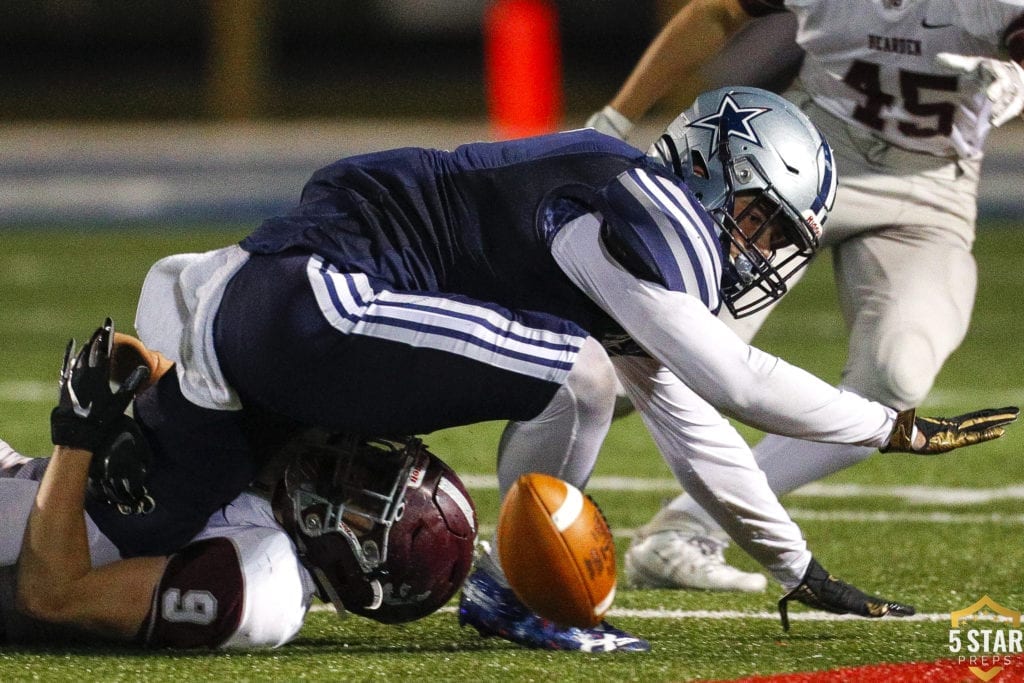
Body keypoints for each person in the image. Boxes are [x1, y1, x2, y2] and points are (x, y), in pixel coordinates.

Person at [120, 86, 1014, 653]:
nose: (766, 251)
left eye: (783, 239)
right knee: (576, 374)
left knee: (142, 539)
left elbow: (696, 431)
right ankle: (515, 596)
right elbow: (731, 380)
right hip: (313, 300)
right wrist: (887, 424)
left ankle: (488, 584)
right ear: (707, 173)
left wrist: (797, 566)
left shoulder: (623, 248)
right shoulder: (638, 200)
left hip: (293, 313)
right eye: (761, 220)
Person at [586, 0, 1024, 593]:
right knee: (650, 350)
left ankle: (688, 530)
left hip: (934, 189)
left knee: (895, 379)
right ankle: (478, 456)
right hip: (799, 163)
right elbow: (717, 13)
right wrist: (616, 117)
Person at [3, 324, 477, 647]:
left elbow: (52, 598)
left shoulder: (265, 586)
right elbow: (188, 406)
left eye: (370, 487)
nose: (353, 468)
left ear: (362, 564)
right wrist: (136, 367)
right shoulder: (284, 478)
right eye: (378, 465)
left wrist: (79, 441)